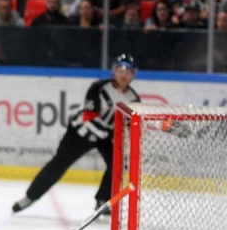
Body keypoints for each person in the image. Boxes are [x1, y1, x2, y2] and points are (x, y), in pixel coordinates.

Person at [12, 54, 140, 214]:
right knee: (59, 163)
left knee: (117, 165)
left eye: (129, 71)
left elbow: (129, 125)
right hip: (81, 132)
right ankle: (30, 197)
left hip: (106, 137)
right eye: (121, 69)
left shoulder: (134, 99)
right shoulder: (98, 88)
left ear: (134, 74)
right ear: (113, 70)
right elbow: (88, 117)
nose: (124, 75)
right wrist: (110, 134)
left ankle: (102, 201)